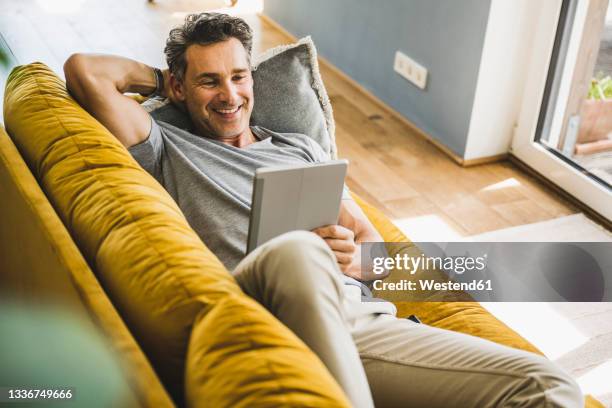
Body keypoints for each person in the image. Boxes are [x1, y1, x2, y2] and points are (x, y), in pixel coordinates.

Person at [63, 12, 583, 408]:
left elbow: (371, 248)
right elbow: (85, 72)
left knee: (548, 384)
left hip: (355, 319)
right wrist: (165, 82)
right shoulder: (167, 146)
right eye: (209, 80)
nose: (230, 95)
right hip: (262, 304)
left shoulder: (301, 148)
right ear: (178, 87)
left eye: (240, 76)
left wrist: (354, 257)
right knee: (295, 251)